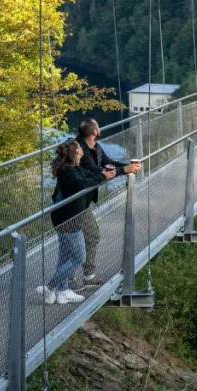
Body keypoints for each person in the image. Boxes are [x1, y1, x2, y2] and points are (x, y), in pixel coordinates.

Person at [39, 140, 110, 305]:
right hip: (68, 221)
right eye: (79, 146)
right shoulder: (69, 173)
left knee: (64, 258)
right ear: (76, 153)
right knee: (79, 257)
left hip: (66, 218)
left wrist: (104, 176)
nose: (82, 148)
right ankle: (50, 287)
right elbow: (81, 183)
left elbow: (88, 176)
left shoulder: (73, 169)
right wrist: (102, 177)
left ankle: (62, 292)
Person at [75, 120, 141, 284]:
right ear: (95, 132)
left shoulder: (95, 147)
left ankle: (76, 277)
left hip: (83, 201)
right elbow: (96, 171)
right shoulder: (78, 150)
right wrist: (124, 171)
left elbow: (107, 162)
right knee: (88, 236)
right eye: (98, 126)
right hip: (74, 202)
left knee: (81, 238)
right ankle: (77, 278)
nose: (99, 128)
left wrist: (127, 167)